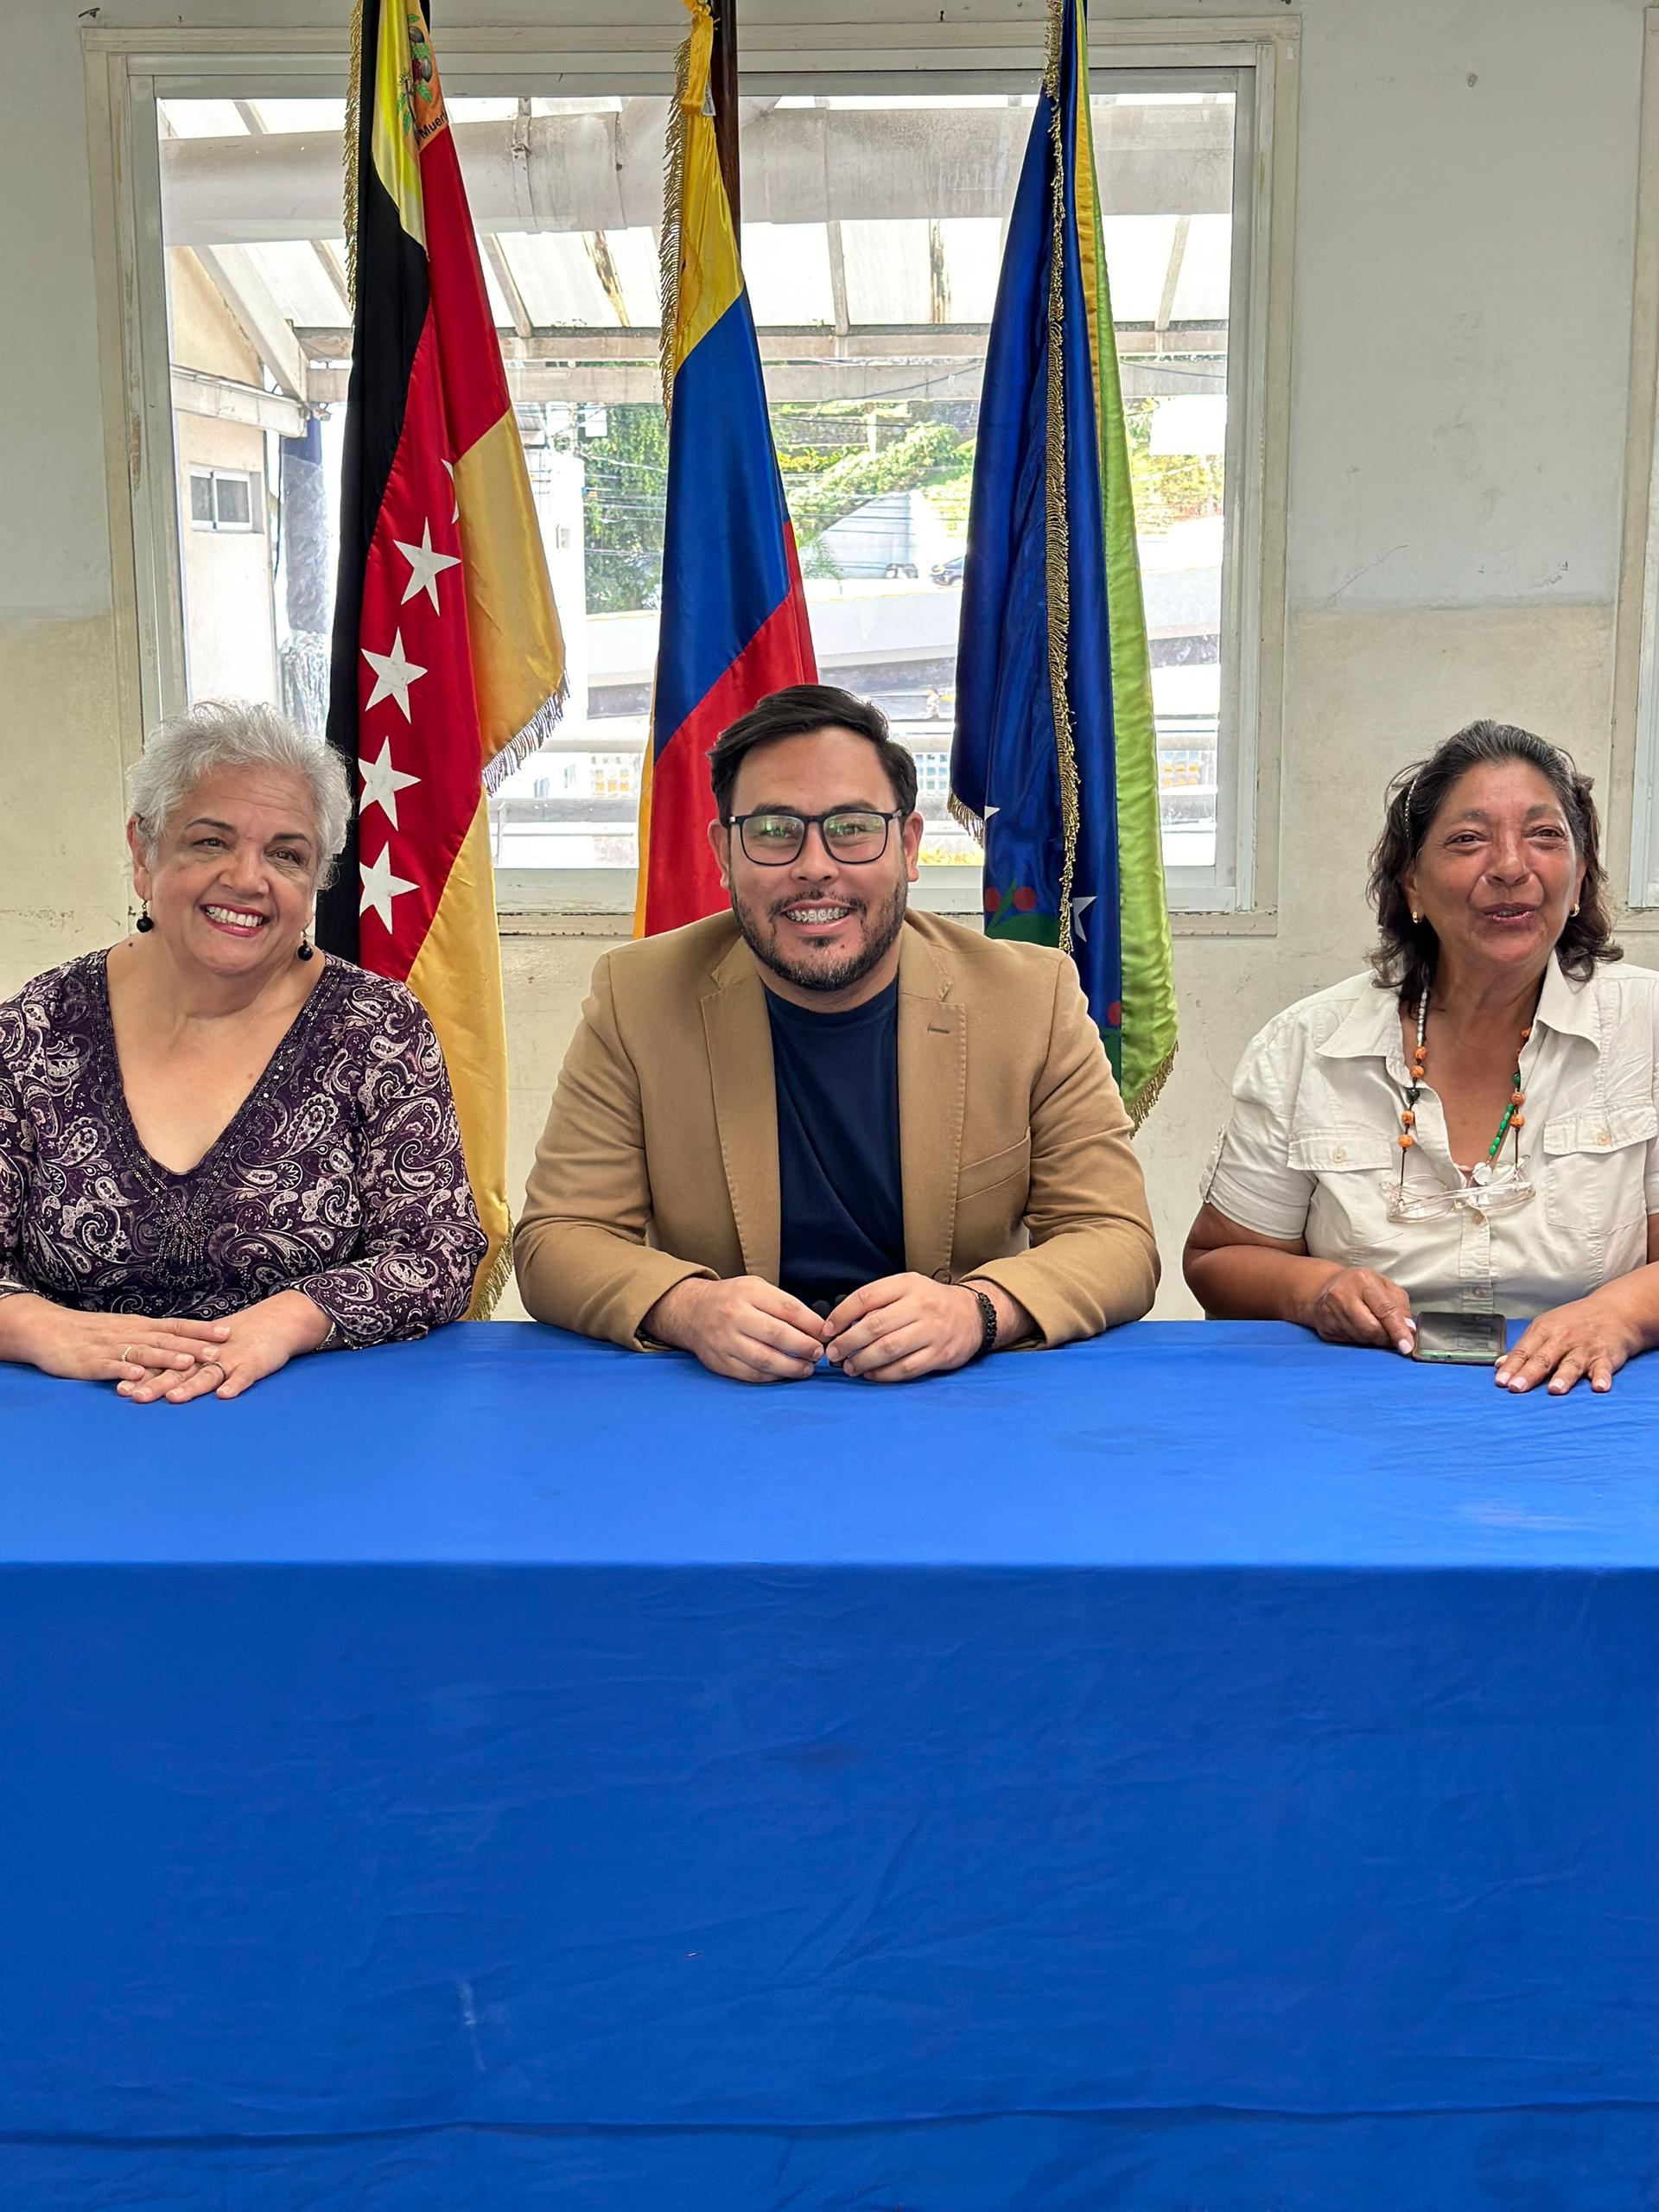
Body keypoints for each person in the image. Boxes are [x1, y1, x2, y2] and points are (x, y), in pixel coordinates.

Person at [516, 683, 1157, 1382]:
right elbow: (557, 1238)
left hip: (955, 1398)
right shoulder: (636, 997)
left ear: (909, 846)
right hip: (726, 1401)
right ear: (724, 855)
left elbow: (1116, 1239)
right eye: (772, 831)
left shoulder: (1032, 998)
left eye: (852, 827)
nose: (815, 866)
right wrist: (688, 1307)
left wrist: (978, 1311)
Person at [0, 699, 484, 1402]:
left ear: (316, 881)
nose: (248, 879)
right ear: (144, 850)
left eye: (286, 855)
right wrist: (36, 1328)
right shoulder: (35, 1026)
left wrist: (289, 1321)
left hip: (307, 1417)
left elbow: (437, 1251)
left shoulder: (378, 1027)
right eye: (210, 842)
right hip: (73, 1418)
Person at [1185, 718, 1659, 1395]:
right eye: (1468, 839)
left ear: (1580, 876)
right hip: (1358, 1404)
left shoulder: (1648, 1028)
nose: (1511, 866)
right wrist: (1317, 1289)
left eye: (1544, 836)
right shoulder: (1308, 1044)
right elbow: (1218, 1259)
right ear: (1410, 883)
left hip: (1590, 1402)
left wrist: (1621, 1315)